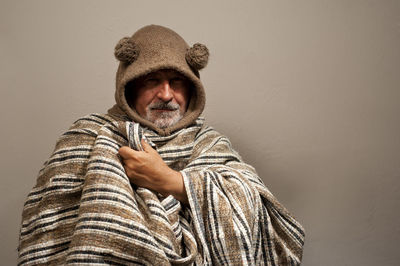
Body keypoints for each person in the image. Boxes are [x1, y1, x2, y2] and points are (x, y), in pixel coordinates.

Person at [18, 25, 305, 265]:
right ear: (129, 87)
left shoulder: (209, 143)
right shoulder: (87, 136)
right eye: (152, 80)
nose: (166, 94)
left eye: (176, 82)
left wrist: (172, 182)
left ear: (191, 89)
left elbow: (264, 215)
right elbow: (50, 231)